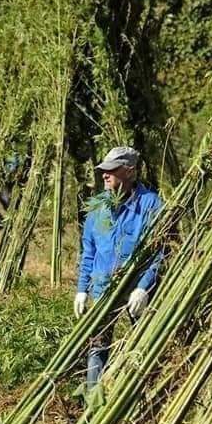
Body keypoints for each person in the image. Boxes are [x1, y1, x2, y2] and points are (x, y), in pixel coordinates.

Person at [75, 146, 162, 390]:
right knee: (97, 345)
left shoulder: (150, 205)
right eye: (103, 170)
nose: (105, 174)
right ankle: (92, 400)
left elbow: (159, 252)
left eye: (111, 170)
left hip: (136, 290)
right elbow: (89, 251)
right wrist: (82, 289)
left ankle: (140, 394)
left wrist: (143, 288)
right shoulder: (97, 207)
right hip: (103, 287)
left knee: (142, 344)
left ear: (130, 172)